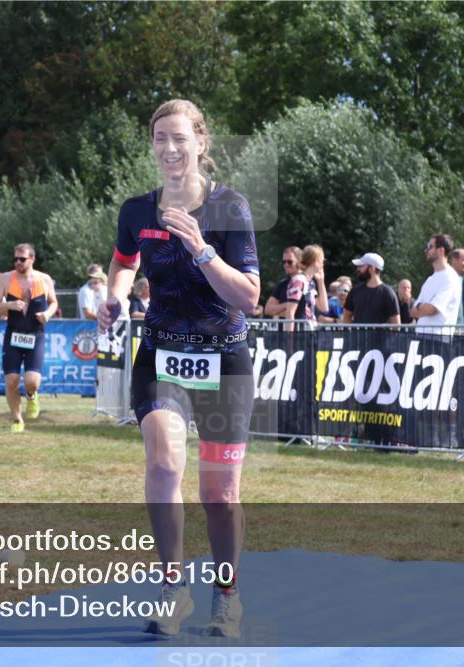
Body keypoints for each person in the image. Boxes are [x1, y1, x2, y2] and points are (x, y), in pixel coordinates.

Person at [98, 99, 259, 639]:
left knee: (220, 494)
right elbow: (124, 261)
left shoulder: (229, 209)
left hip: (223, 359)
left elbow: (251, 297)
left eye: (180, 139)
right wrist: (116, 298)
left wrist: (200, 248)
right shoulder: (136, 211)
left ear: (200, 144)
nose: (169, 148)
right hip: (162, 352)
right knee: (164, 464)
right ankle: (174, 587)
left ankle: (227, 596)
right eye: (160, 138)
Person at [0, 244, 58, 431]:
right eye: (15, 259)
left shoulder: (44, 279)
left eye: (22, 259)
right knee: (11, 380)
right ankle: (17, 420)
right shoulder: (5, 278)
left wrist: (48, 314)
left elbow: (53, 302)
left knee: (32, 381)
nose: (17, 262)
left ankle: (31, 395)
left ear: (32, 260)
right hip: (13, 335)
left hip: (36, 335)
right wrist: (9, 305)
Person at [410, 234, 462, 334]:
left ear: (441, 250)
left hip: (438, 339)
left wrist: (421, 306)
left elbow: (431, 309)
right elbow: (412, 312)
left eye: (430, 246)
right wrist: (423, 306)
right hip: (421, 336)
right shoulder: (430, 279)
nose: (426, 250)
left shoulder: (450, 278)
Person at [342, 252, 399, 325]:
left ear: (372, 268)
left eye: (361, 266)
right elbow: (346, 317)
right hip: (357, 336)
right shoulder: (355, 291)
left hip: (380, 336)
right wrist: (353, 334)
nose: (358, 269)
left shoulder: (388, 293)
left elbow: (396, 324)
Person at [282, 244, 328, 324]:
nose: (323, 263)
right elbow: (290, 312)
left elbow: (324, 308)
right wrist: (289, 335)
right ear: (315, 261)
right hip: (300, 332)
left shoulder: (310, 282)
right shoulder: (298, 281)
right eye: (322, 260)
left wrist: (321, 281)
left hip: (309, 331)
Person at [263, 246, 301, 318]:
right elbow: (268, 309)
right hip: (283, 328)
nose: (286, 265)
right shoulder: (282, 284)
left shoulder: (306, 282)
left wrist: (279, 311)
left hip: (303, 328)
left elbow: (301, 312)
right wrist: (287, 305)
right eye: (284, 262)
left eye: (290, 262)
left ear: (299, 261)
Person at [449, 248, 464, 325]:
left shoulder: (463, 280)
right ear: (454, 260)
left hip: (463, 327)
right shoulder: (446, 279)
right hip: (449, 327)